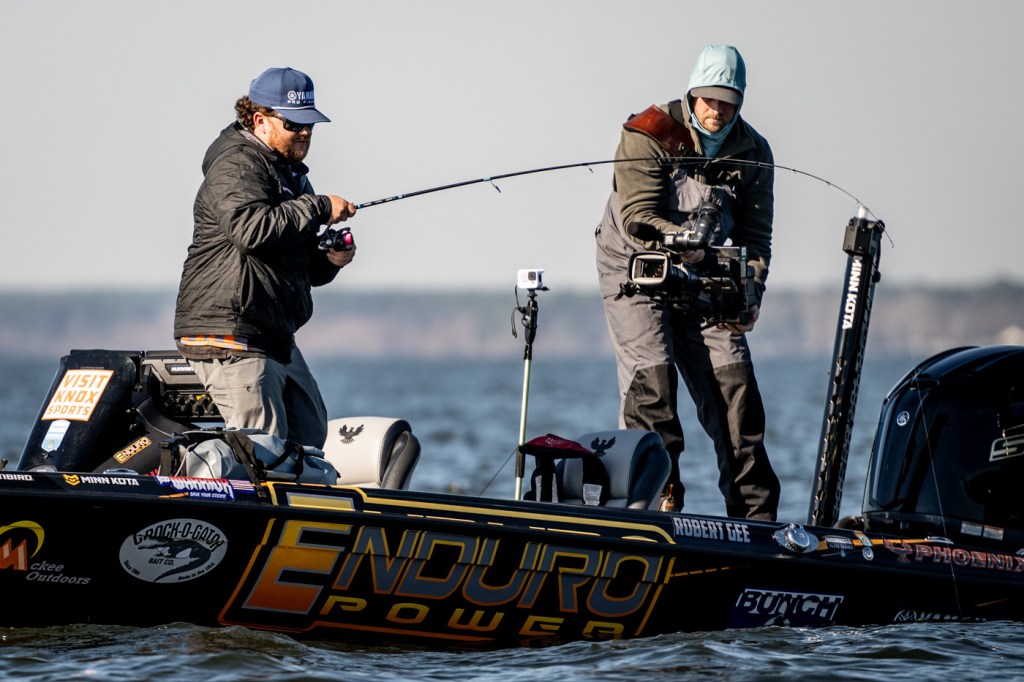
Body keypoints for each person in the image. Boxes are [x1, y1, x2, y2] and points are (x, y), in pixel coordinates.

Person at [595, 45, 781, 520]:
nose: (716, 110)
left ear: (740, 102)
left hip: (705, 276)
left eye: (728, 102)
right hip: (636, 270)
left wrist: (749, 295)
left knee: (738, 394)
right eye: (708, 99)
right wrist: (681, 239)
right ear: (692, 93)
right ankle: (656, 508)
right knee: (654, 389)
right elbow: (637, 216)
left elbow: (756, 240)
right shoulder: (648, 131)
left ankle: (756, 521)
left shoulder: (755, 152)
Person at [173, 67, 356, 449]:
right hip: (230, 331)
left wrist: (330, 260)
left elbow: (298, 263)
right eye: (293, 124)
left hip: (271, 331)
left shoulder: (291, 176)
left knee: (309, 431)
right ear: (260, 121)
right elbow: (252, 229)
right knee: (262, 447)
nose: (304, 133)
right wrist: (319, 206)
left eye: (309, 125)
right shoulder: (235, 164)